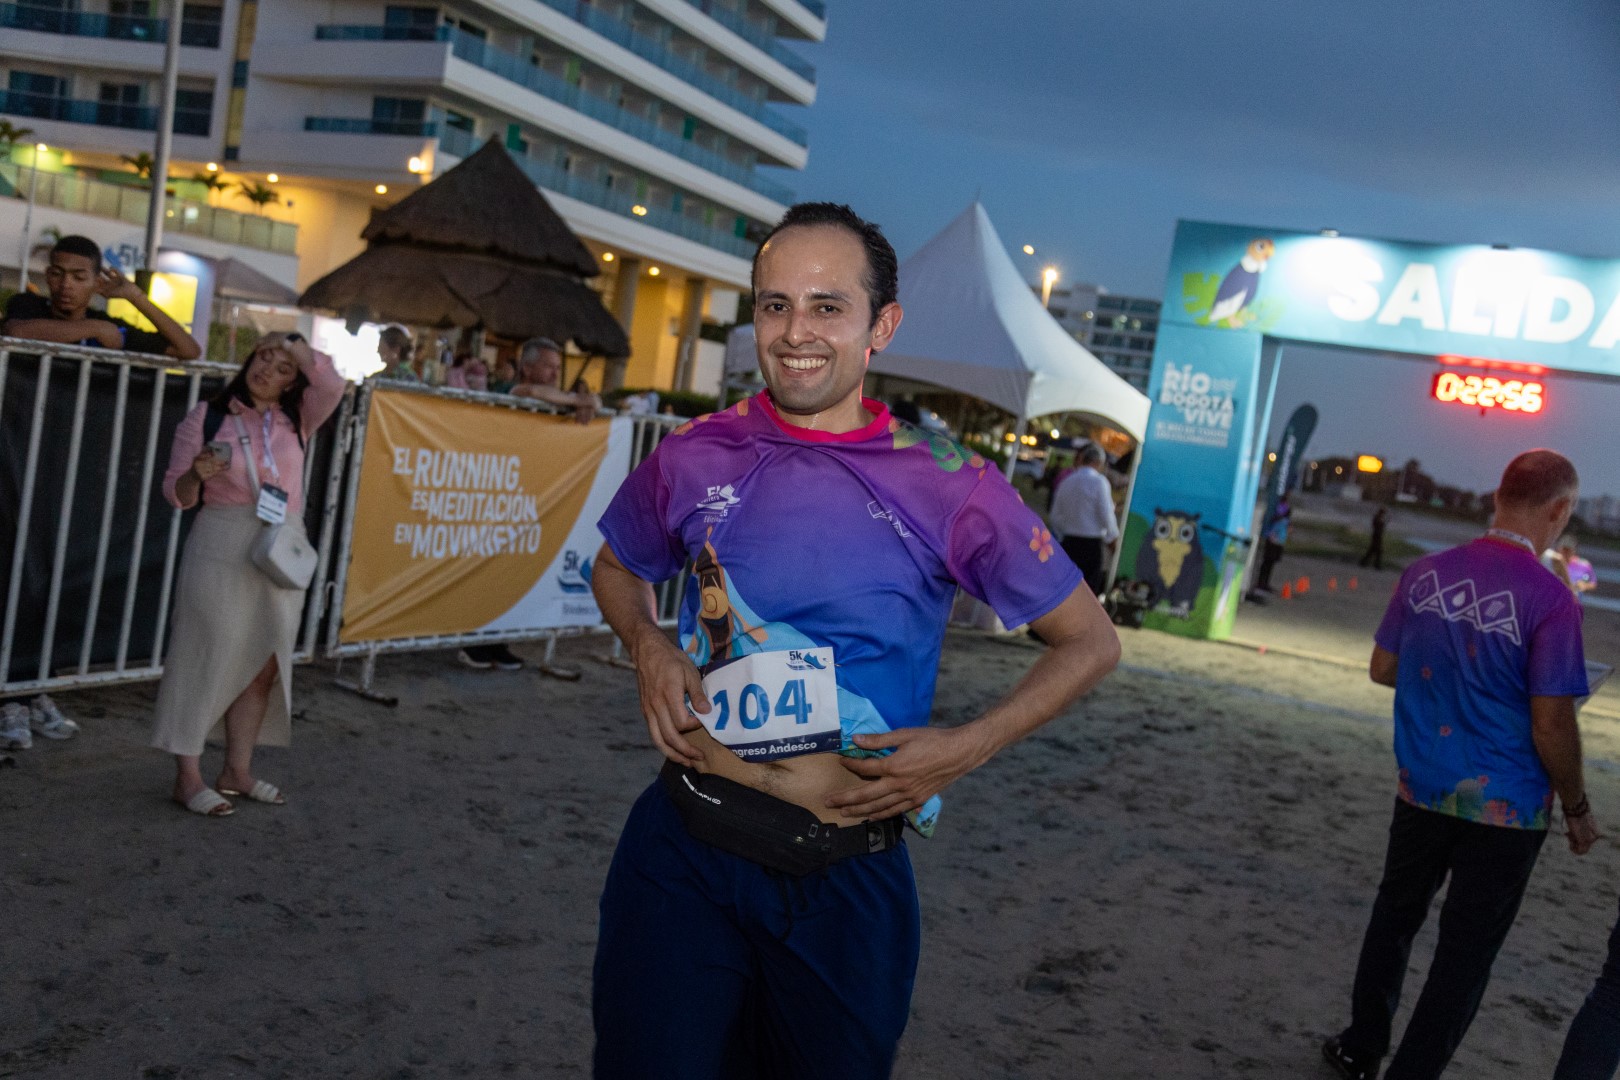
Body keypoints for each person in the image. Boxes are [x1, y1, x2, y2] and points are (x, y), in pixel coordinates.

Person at [587, 201, 1122, 1079]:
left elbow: (1090, 642)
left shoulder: (951, 482)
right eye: (775, 305)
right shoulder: (693, 453)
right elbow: (618, 566)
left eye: (827, 307)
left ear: (882, 326)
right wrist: (647, 640)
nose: (796, 332)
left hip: (846, 877)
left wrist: (967, 746)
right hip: (683, 852)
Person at [1322, 449, 1597, 1080]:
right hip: (1506, 805)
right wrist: (1577, 807)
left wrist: (1449, 682)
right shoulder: (1552, 600)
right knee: (1465, 955)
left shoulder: (1425, 574)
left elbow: (1383, 668)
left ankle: (1362, 1046)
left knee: (1395, 916)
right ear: (1558, 510)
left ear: (1498, 496)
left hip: (1422, 784)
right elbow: (1552, 722)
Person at [151, 332, 347, 816]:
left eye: (283, 368)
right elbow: (176, 494)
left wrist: (292, 342)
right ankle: (187, 776)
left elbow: (332, 384)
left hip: (282, 545)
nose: (267, 371)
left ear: (292, 382)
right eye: (263, 358)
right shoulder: (206, 416)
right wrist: (196, 476)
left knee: (265, 662)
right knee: (204, 654)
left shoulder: (299, 420)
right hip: (221, 541)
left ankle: (237, 770)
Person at [1, 234, 201, 359]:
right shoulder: (27, 303)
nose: (65, 284)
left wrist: (136, 296)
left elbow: (188, 350)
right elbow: (17, 332)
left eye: (79, 277)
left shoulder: (111, 326)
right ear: (47, 275)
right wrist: (96, 329)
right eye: (57, 274)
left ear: (97, 283)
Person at [1048, 443, 1119, 595]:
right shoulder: (1100, 482)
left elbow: (1054, 516)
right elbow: (1106, 514)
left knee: (1066, 591)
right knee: (1088, 592)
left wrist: (1062, 535)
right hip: (1091, 545)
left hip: (1068, 543)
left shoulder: (1066, 481)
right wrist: (1112, 538)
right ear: (1099, 463)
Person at [508, 336, 599, 424]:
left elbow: (593, 401)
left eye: (558, 368)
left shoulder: (557, 398)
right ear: (527, 369)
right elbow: (531, 391)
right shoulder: (515, 391)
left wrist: (590, 403)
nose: (555, 374)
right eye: (549, 366)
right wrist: (579, 400)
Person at [1253, 497, 1290, 592]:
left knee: (1270, 564)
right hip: (1273, 541)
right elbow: (1276, 521)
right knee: (1267, 563)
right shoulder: (1279, 508)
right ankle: (1261, 583)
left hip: (1278, 542)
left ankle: (1264, 583)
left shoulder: (1283, 511)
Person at [1544, 534, 1598, 598]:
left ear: (1573, 551)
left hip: (1574, 597)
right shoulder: (1552, 561)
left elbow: (1593, 583)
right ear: (1559, 549)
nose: (1566, 553)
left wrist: (1585, 585)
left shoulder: (1584, 564)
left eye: (1568, 550)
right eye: (1564, 549)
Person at [1360, 505, 1389, 570]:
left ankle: (1364, 562)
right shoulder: (1377, 518)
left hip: (1377, 535)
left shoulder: (1379, 518)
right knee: (1378, 551)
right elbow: (1377, 526)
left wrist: (1384, 522)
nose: (1384, 514)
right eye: (1384, 512)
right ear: (1382, 512)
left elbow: (1380, 526)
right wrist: (1383, 523)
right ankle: (1376, 565)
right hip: (1377, 535)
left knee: (1373, 550)